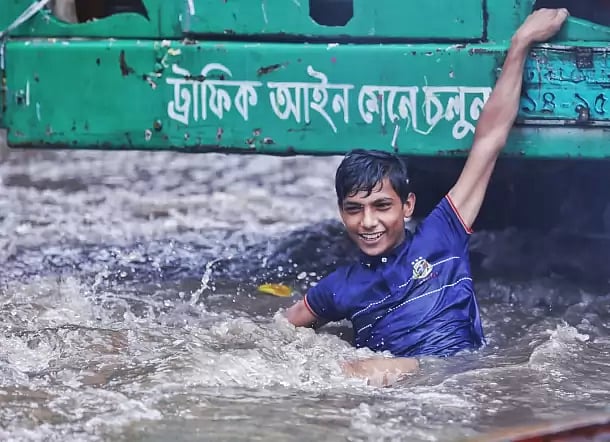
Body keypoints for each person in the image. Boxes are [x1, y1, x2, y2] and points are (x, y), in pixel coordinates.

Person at [282, 8, 570, 387]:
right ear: (341, 213)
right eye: (355, 210)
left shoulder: (443, 233)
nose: (368, 222)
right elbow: (281, 331)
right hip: (396, 398)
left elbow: (489, 139)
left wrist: (519, 44)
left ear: (408, 206)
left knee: (397, 368)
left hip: (462, 376)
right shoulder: (339, 287)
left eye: (382, 206)